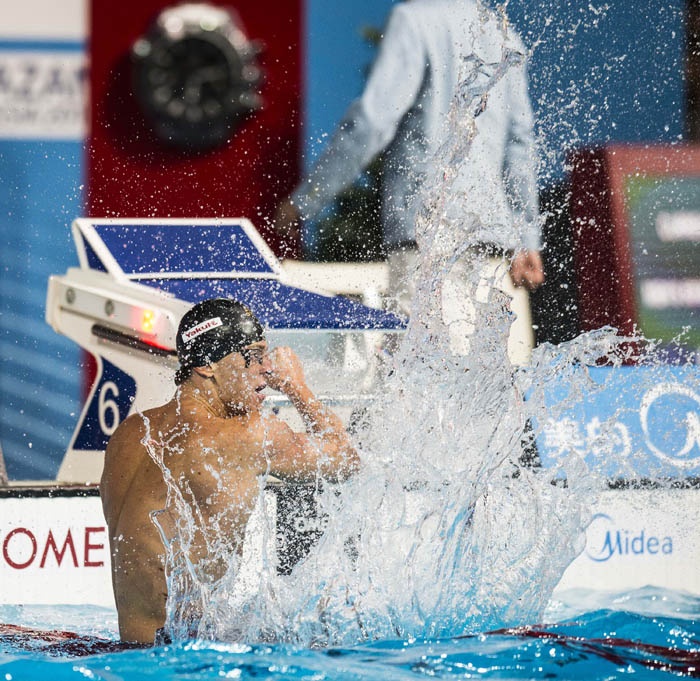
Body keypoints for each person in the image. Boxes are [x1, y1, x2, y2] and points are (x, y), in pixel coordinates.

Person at [274, 0, 544, 364]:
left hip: (427, 233)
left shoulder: (415, 20)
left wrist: (306, 199)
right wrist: (527, 238)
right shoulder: (502, 33)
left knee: (420, 374)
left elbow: (372, 120)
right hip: (493, 241)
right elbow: (520, 144)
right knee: (488, 382)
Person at [100, 298, 359, 644]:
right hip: (187, 663)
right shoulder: (246, 434)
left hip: (128, 656)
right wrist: (298, 386)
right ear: (207, 365)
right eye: (253, 356)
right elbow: (345, 459)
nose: (267, 369)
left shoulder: (130, 434)